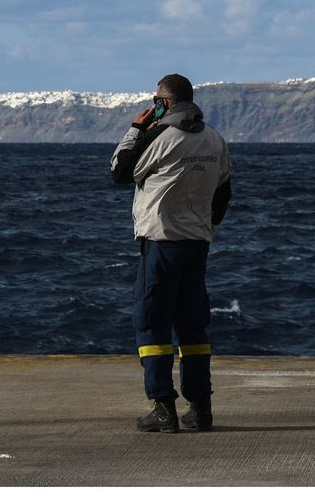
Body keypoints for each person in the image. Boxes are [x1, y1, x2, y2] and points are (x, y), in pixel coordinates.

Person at [111, 73, 231, 433]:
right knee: (193, 325)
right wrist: (207, 226)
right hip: (197, 243)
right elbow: (224, 192)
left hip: (162, 242)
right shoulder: (214, 139)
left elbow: (119, 171)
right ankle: (201, 408)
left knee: (152, 322)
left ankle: (163, 407)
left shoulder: (159, 136)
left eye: (156, 99)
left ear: (164, 102)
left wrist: (136, 128)